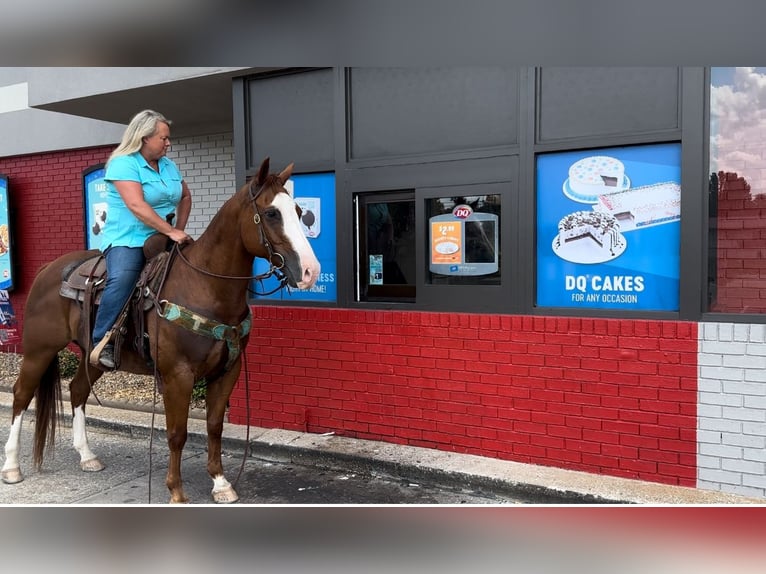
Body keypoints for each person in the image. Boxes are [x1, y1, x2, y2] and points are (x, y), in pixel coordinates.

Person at [89, 110, 192, 369]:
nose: (168, 143)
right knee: (123, 278)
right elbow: (136, 205)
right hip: (128, 239)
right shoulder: (123, 163)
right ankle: (103, 340)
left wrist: (178, 229)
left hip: (162, 236)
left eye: (168, 138)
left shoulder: (168, 165)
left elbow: (185, 197)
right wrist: (170, 232)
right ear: (144, 138)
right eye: (163, 138)